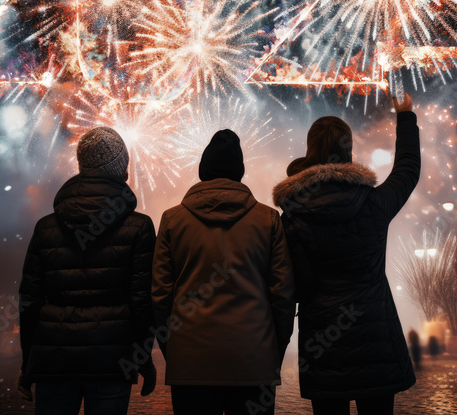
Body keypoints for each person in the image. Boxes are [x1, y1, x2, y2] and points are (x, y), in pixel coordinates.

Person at [272, 93, 420, 415]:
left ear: (310, 151)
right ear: (349, 149)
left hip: (324, 341)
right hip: (376, 338)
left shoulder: (293, 216)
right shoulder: (375, 203)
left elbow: (289, 280)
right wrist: (406, 116)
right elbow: (407, 170)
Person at [151, 129, 296, 415]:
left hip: (190, 362)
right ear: (239, 171)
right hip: (253, 360)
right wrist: (272, 351)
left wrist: (175, 351)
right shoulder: (268, 220)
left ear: (203, 170)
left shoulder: (172, 220)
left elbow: (159, 298)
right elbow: (283, 295)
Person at [18, 126, 157, 415]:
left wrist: (27, 363)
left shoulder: (45, 228)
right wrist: (144, 358)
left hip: (54, 361)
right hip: (112, 362)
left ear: (81, 166)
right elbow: (142, 302)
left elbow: (29, 302)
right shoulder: (140, 228)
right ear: (122, 169)